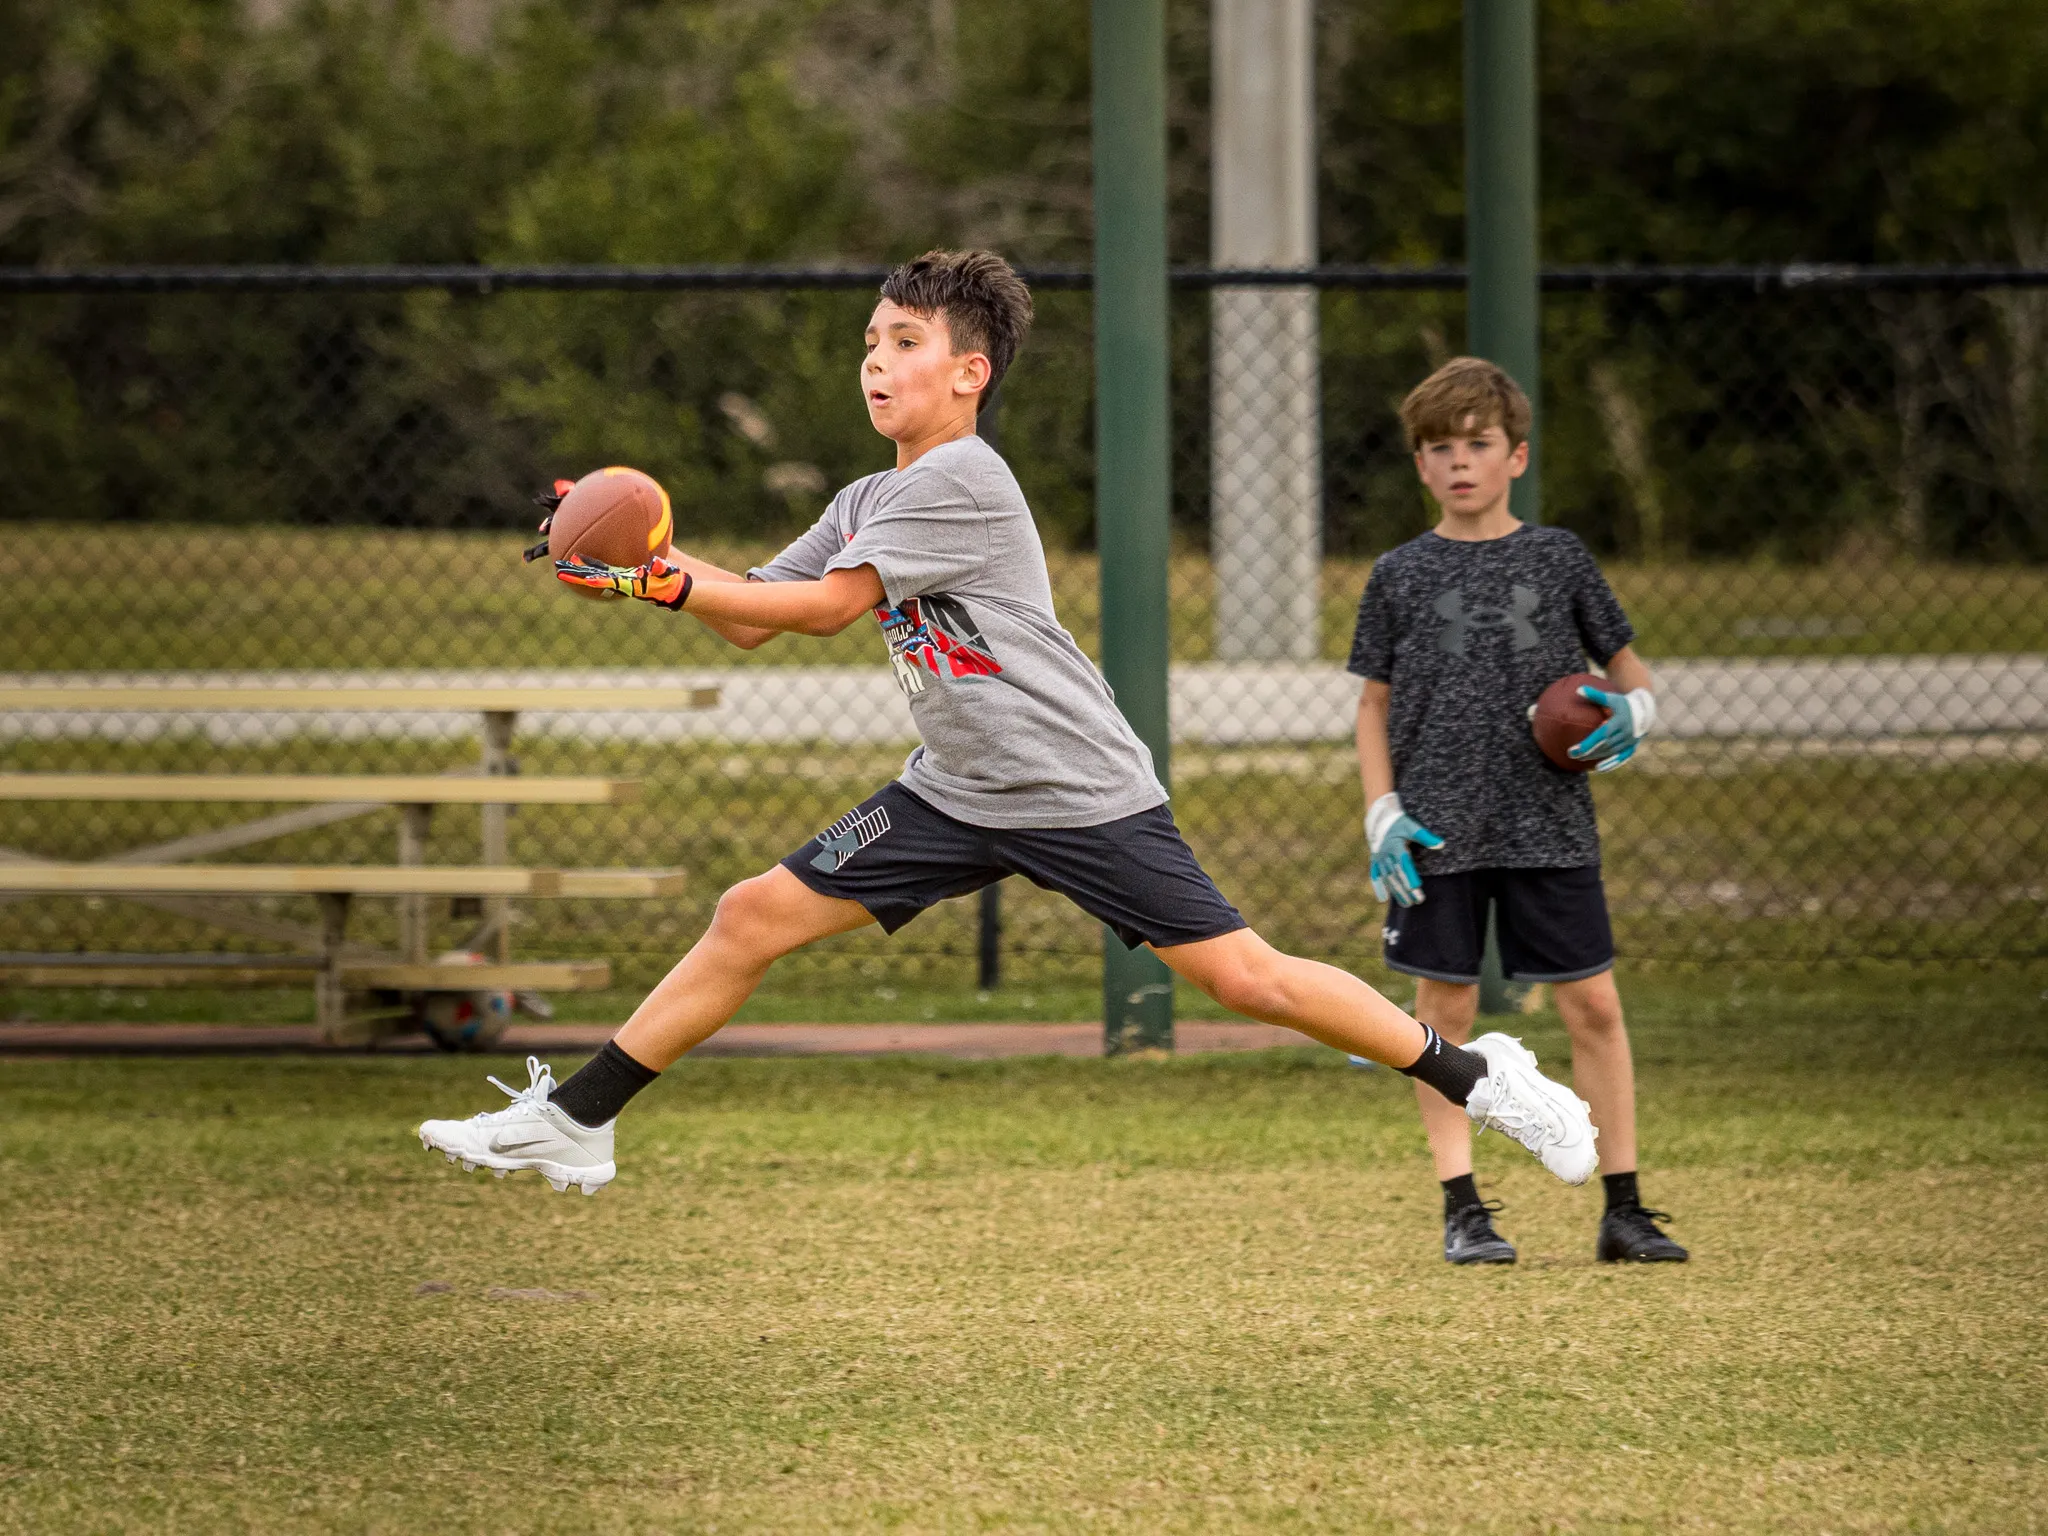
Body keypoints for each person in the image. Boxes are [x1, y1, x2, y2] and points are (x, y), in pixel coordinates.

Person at [417, 251, 1597, 1204]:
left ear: (970, 373)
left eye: (905, 344)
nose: (876, 364)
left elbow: (825, 611)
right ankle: (577, 1121)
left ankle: (1484, 1078)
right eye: (870, 343)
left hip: (1071, 787)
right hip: (957, 788)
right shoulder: (867, 495)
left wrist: (659, 583)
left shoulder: (960, 480)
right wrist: (635, 558)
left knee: (1247, 981)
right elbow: (752, 619)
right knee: (750, 915)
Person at [1349, 356, 1687, 1266]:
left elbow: (1631, 671)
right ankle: (1463, 1207)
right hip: (1435, 832)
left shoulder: (1559, 557)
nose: (1461, 461)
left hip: (1550, 825)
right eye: (1441, 448)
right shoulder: (1398, 573)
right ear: (1421, 464)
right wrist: (1382, 812)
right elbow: (1372, 705)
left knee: (1594, 1007)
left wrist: (1637, 713)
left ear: (1517, 456)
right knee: (1441, 1015)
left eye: (1479, 444)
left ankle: (1625, 1208)